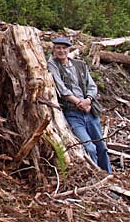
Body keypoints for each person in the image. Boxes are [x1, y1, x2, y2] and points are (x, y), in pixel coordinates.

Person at [47, 37, 112, 173]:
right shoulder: (52, 64)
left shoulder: (80, 64)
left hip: (90, 111)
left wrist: (87, 100)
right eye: (58, 47)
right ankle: (95, 176)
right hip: (73, 113)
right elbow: (61, 89)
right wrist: (78, 102)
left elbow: (92, 86)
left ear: (69, 49)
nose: (61, 51)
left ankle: (108, 175)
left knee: (101, 146)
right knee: (89, 147)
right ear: (53, 49)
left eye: (64, 48)